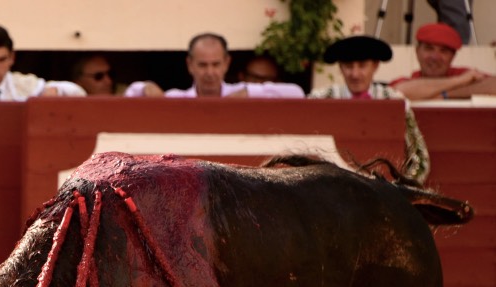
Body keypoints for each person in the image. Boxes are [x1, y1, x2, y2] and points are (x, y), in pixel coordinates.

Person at [310, 36, 430, 183]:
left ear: (375, 66)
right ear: (340, 67)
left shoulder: (393, 100)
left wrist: (401, 190)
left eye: (362, 65)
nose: (355, 74)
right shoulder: (320, 99)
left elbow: (419, 159)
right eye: (348, 66)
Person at [124, 33, 304, 98]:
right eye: (203, 65)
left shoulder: (242, 93)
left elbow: (297, 93)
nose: (210, 72)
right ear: (190, 65)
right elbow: (129, 94)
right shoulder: (176, 98)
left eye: (216, 64)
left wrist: (250, 92)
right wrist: (146, 87)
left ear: (226, 63)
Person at [390, 23, 495, 100]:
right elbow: (400, 92)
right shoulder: (464, 78)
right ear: (417, 52)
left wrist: (445, 95)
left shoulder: (462, 73)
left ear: (453, 57)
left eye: (443, 51)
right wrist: (459, 81)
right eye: (429, 48)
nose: (435, 57)